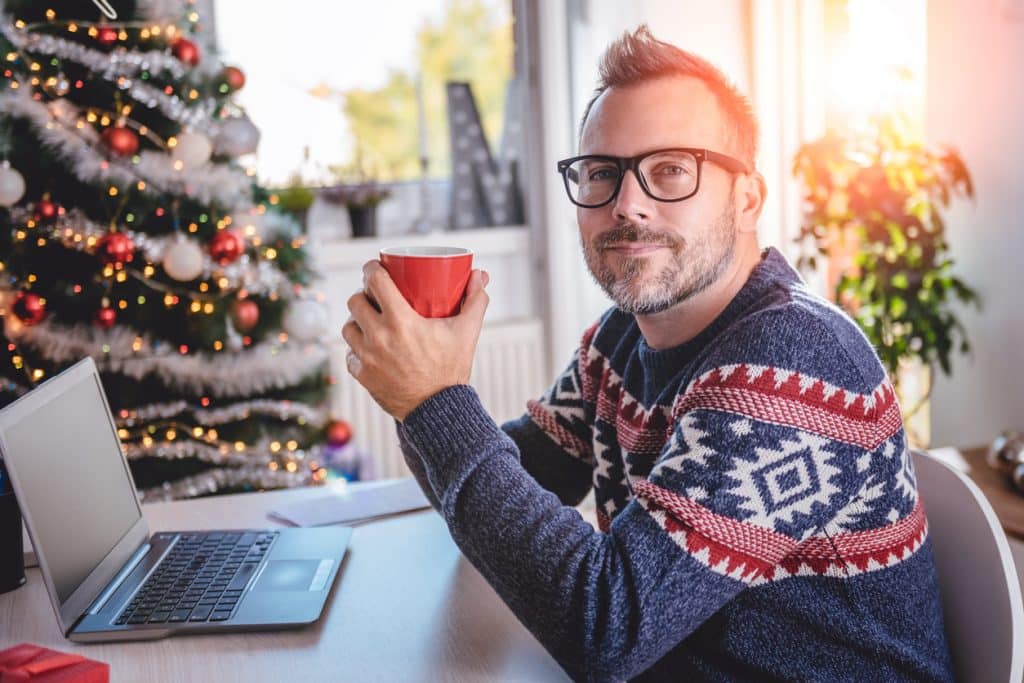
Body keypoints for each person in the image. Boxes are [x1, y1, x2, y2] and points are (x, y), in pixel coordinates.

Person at [342, 26, 953, 682]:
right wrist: (418, 385)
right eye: (602, 172)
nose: (626, 204)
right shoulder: (620, 340)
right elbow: (520, 477)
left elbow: (605, 625)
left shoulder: (794, 365)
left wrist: (436, 401)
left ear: (747, 197)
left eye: (669, 170)